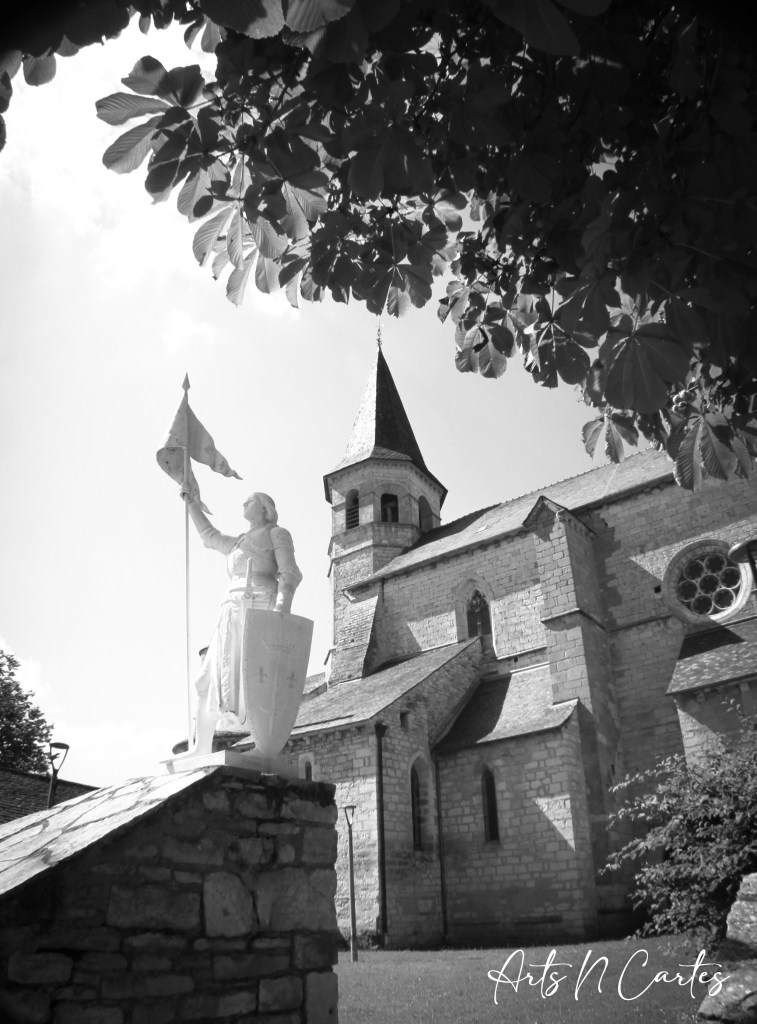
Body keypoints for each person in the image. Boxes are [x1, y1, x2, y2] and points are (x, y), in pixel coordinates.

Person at [182, 491, 302, 754]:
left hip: (259, 605)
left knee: (256, 679)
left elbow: (290, 573)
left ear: (265, 508)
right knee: (204, 680)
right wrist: (191, 504)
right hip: (230, 611)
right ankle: (201, 747)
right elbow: (209, 536)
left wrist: (281, 609)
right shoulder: (239, 542)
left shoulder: (277, 533)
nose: (243, 503)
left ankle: (263, 747)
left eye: (250, 500)